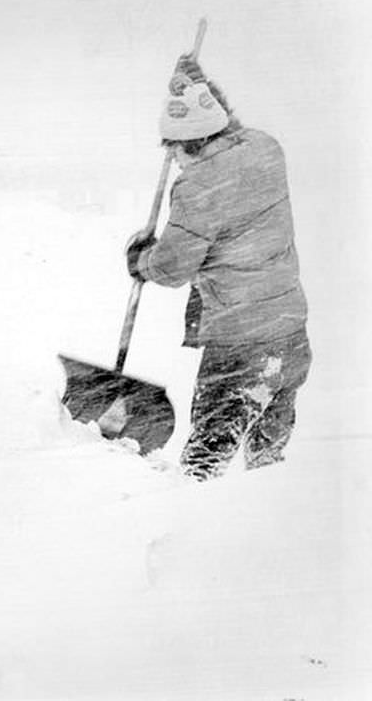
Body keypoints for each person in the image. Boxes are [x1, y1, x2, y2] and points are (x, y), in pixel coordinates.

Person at [124, 57, 310, 480]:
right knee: (267, 471)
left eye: (172, 150)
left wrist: (141, 260)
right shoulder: (264, 148)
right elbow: (231, 130)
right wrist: (201, 89)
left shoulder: (201, 185)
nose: (172, 160)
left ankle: (190, 537)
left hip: (240, 349)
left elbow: (172, 267)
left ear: (186, 145)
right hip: (291, 338)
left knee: (202, 472)